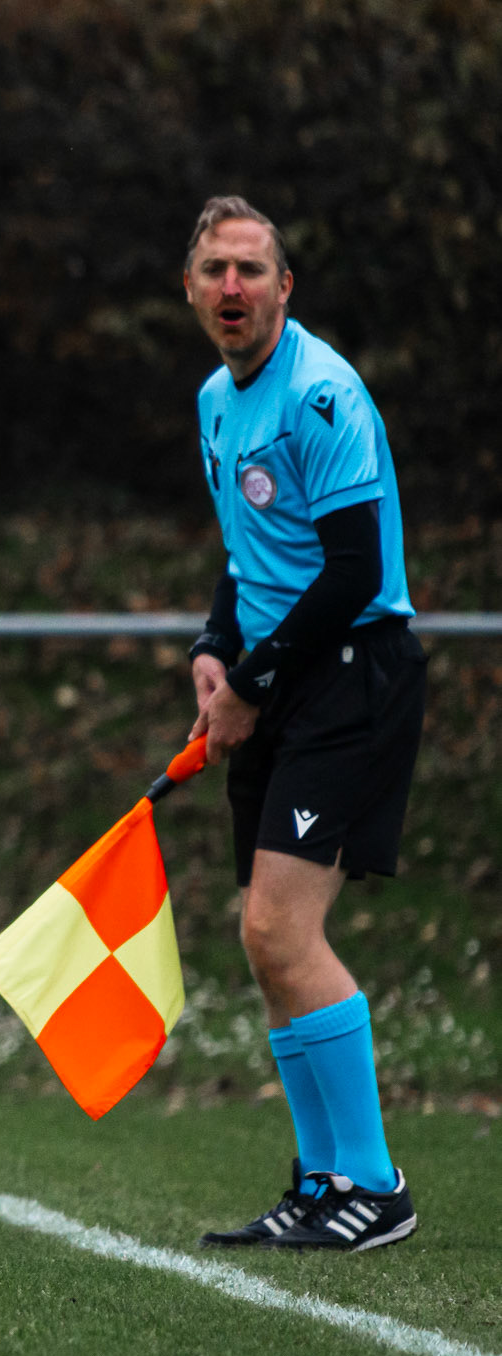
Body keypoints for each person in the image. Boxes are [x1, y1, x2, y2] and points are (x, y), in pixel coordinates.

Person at [183, 197, 425, 1252]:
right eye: (214, 269)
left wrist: (251, 681)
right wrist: (213, 647)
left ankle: (374, 1186)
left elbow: (355, 571)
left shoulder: (321, 393)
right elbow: (249, 556)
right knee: (265, 938)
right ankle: (322, 1181)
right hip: (281, 679)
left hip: (352, 674)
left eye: (251, 269)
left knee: (283, 931)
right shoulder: (214, 400)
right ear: (190, 289)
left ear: (284, 288)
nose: (232, 286)